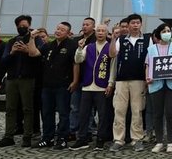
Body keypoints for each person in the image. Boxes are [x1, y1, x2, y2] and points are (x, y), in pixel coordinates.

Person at [0, 15, 43, 148]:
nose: (22, 27)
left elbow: (40, 57)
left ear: (29, 25)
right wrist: (12, 52)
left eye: (25, 25)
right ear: (16, 26)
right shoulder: (11, 42)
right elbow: (3, 62)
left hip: (28, 79)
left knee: (28, 108)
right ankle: (8, 136)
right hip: (12, 79)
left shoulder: (36, 39)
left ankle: (27, 136)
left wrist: (27, 50)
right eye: (20, 25)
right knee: (10, 108)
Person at [108, 13, 150, 152]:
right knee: (119, 110)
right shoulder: (121, 39)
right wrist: (113, 40)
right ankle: (118, 139)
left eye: (138, 22)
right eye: (133, 23)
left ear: (141, 24)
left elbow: (150, 60)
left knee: (137, 110)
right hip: (121, 80)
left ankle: (137, 139)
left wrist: (147, 79)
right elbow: (112, 54)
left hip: (139, 80)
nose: (135, 25)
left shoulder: (146, 40)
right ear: (129, 25)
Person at [71, 23, 115, 151]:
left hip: (102, 86)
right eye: (99, 31)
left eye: (103, 31)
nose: (100, 33)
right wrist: (79, 48)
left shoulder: (110, 47)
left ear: (107, 33)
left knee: (102, 115)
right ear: (95, 33)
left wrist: (111, 83)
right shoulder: (88, 47)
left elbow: (112, 67)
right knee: (83, 114)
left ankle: (100, 139)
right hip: (87, 86)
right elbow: (78, 60)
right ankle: (82, 139)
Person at [36, 21, 78, 149]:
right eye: (58, 28)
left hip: (63, 85)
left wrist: (75, 81)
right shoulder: (49, 45)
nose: (58, 31)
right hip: (47, 85)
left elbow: (76, 64)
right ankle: (47, 138)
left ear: (68, 33)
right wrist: (32, 38)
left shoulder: (72, 45)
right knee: (47, 112)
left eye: (62, 30)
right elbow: (34, 53)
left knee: (63, 112)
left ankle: (62, 138)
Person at [145, 23, 172, 152]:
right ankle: (160, 141)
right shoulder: (152, 48)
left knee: (171, 113)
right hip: (156, 84)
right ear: (159, 33)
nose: (167, 33)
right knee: (157, 113)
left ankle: (170, 141)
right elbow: (148, 64)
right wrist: (147, 77)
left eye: (168, 31)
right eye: (164, 31)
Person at [69, 17, 96, 139]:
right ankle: (73, 130)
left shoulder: (96, 40)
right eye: (83, 24)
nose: (85, 26)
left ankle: (88, 131)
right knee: (75, 107)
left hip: (91, 78)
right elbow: (75, 62)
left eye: (88, 24)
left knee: (89, 108)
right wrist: (74, 80)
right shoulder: (76, 40)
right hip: (78, 78)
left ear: (93, 27)